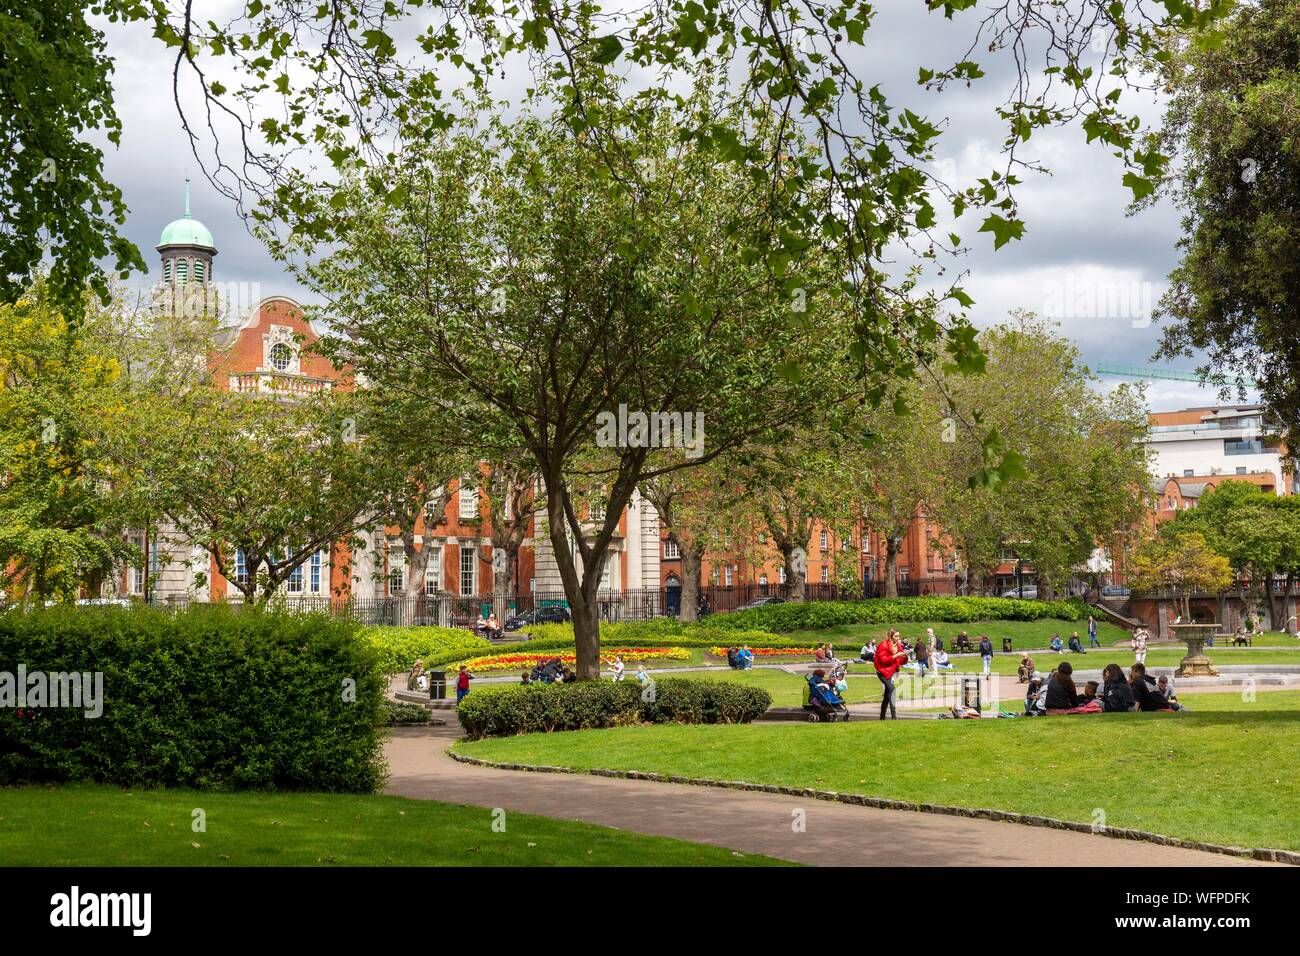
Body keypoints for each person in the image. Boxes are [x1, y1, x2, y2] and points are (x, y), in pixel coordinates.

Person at [874, 631, 908, 720]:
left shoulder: (898, 646)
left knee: (887, 695)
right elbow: (883, 660)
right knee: (892, 690)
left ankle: (882, 717)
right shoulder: (883, 645)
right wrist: (896, 655)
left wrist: (904, 656)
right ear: (891, 636)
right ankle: (894, 717)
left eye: (898, 636)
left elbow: (901, 661)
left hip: (891, 672)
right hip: (882, 671)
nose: (898, 638)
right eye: (896, 636)